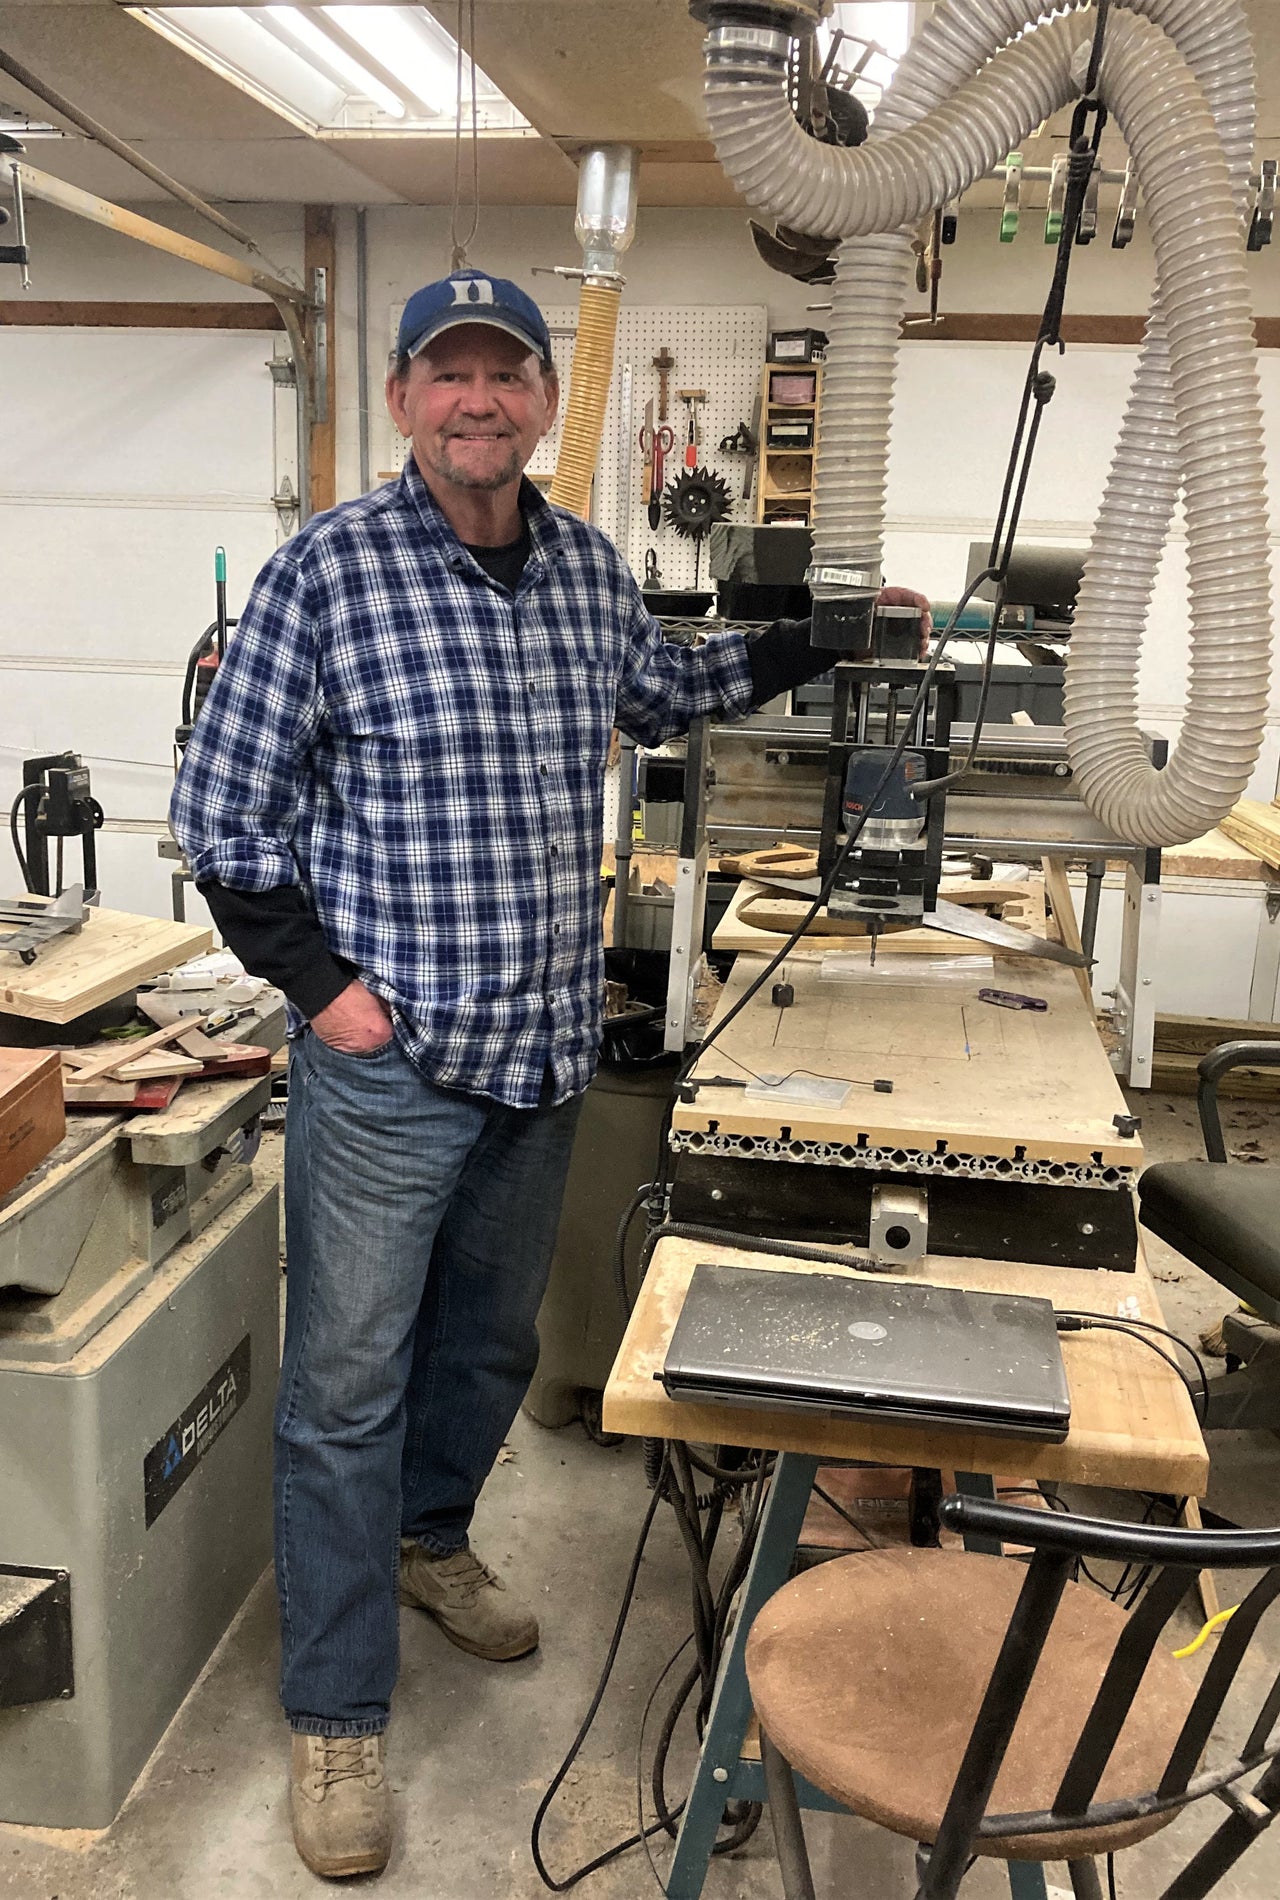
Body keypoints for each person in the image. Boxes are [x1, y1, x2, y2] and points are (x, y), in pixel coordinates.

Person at [170, 266, 929, 1880]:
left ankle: (436, 1540)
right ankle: (337, 1715)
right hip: (388, 1067)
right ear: (399, 403)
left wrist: (830, 634)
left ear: (542, 401)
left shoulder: (587, 574)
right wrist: (330, 994)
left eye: (504, 376)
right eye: (446, 377)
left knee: (488, 1347)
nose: (478, 402)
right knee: (344, 1390)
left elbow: (680, 686)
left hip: (542, 1053)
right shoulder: (326, 576)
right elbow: (221, 822)